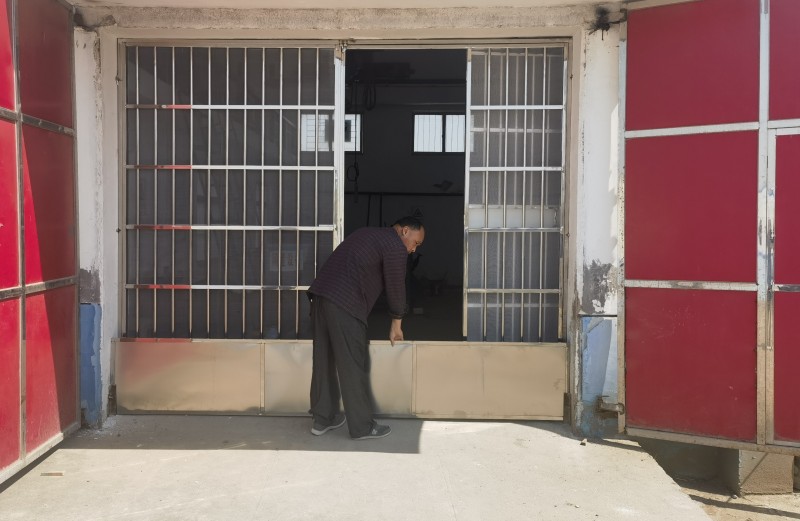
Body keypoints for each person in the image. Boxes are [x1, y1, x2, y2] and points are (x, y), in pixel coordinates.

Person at [307, 216, 425, 440]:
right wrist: (397, 322)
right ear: (405, 231)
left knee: (323, 360)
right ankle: (362, 427)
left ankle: (323, 419)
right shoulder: (394, 245)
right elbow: (396, 286)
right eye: (415, 243)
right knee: (352, 364)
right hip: (344, 303)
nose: (413, 250)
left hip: (320, 298)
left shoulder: (366, 233)